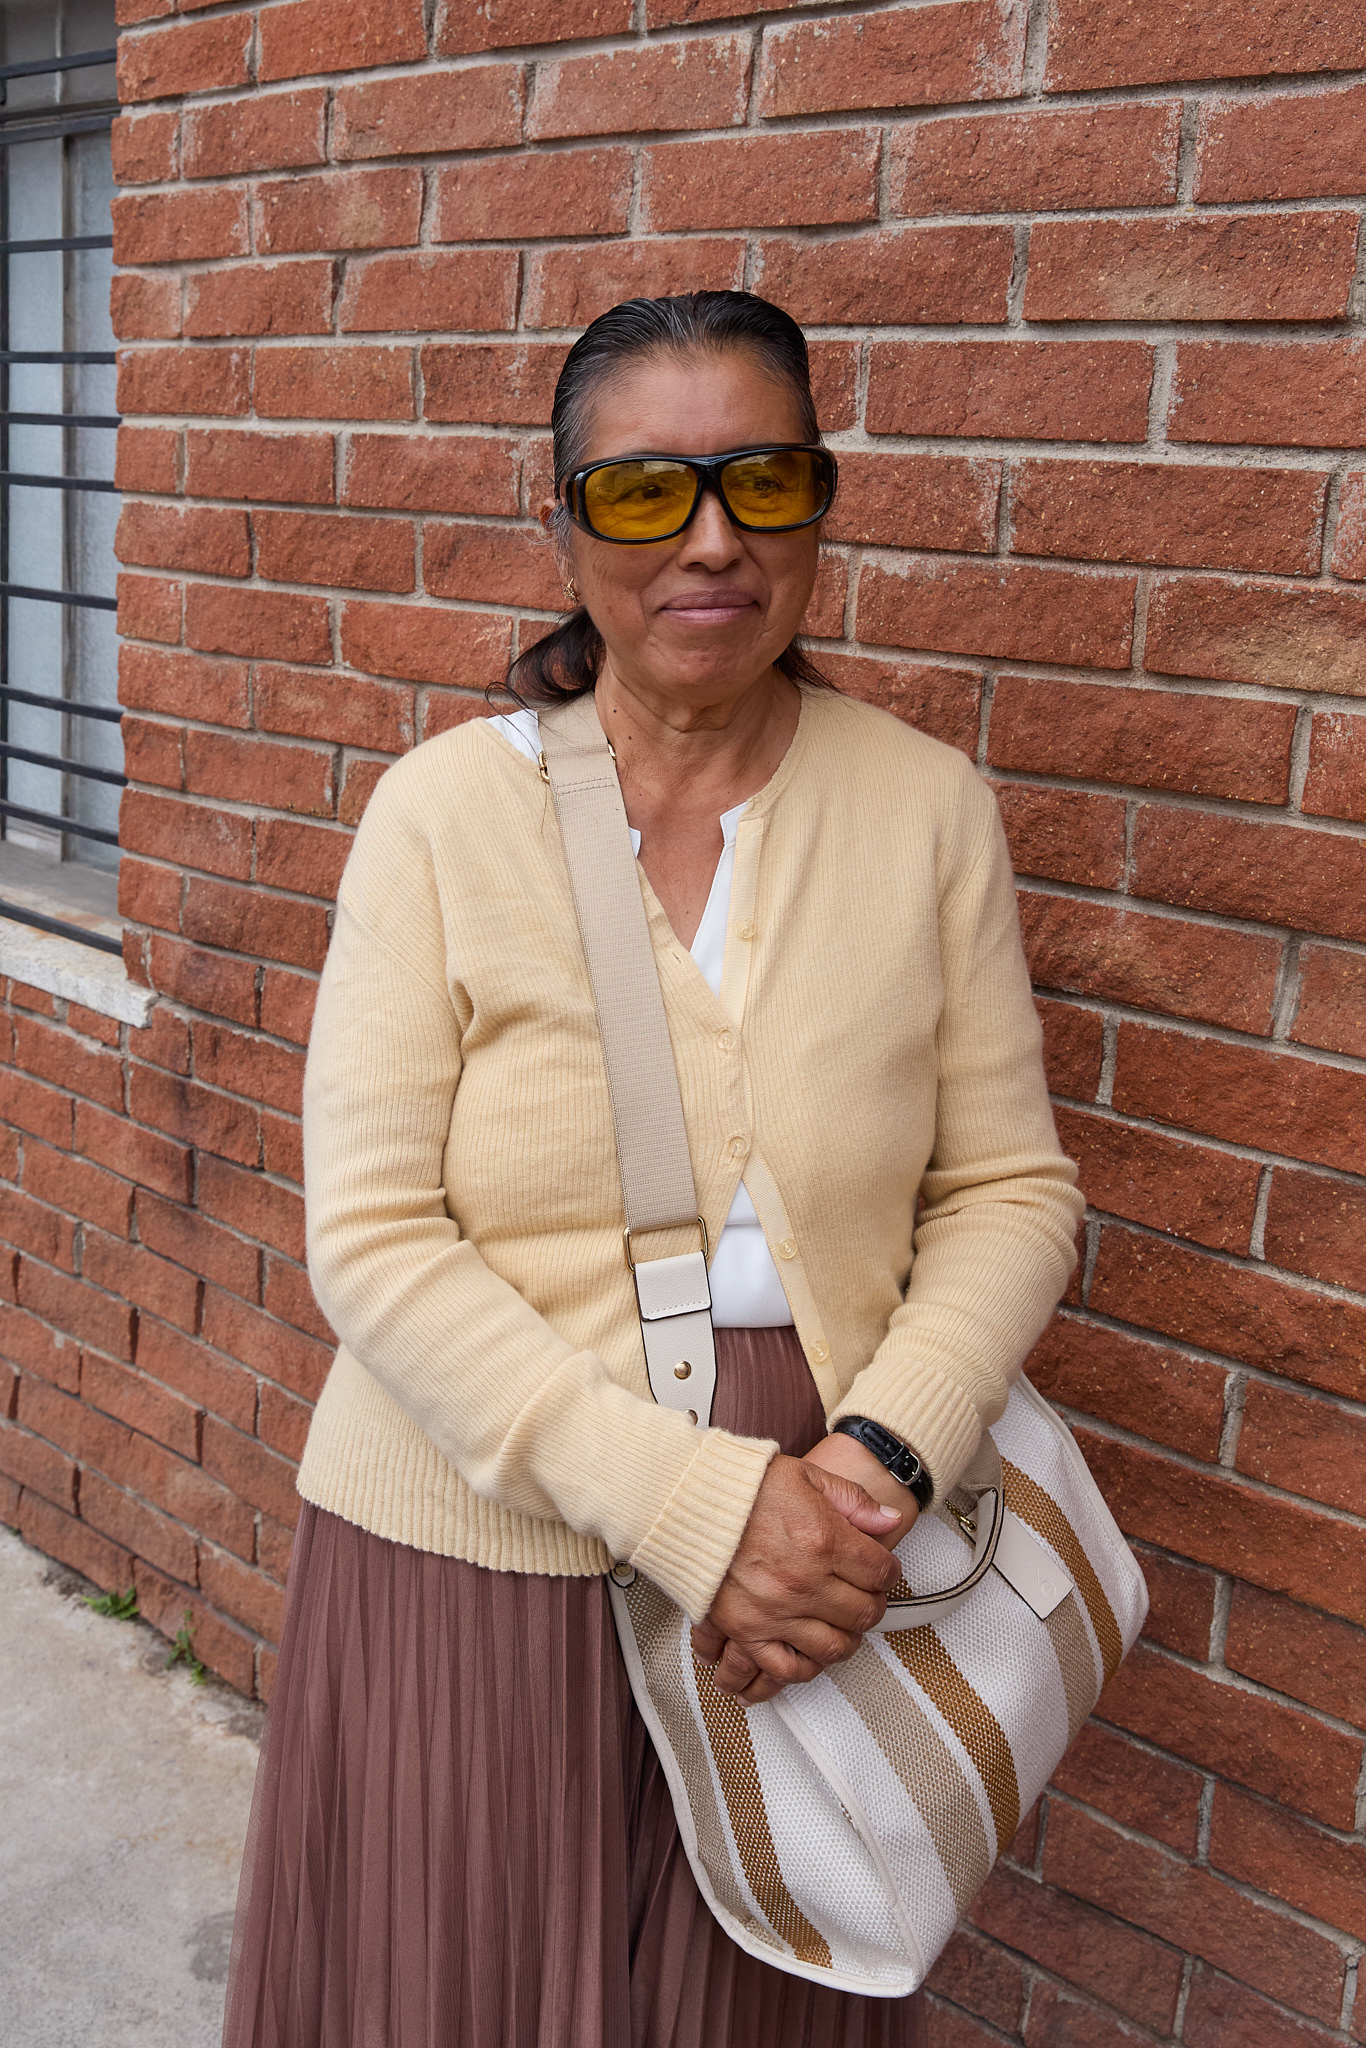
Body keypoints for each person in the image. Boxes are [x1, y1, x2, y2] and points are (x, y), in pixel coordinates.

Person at [222, 290, 1084, 2048]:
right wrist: (694, 1509)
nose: (710, 540)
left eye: (762, 482)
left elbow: (1009, 1189)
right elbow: (373, 1236)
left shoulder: (924, 809)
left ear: (818, 504)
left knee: (741, 1994)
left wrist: (872, 1470)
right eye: (640, 492)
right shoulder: (442, 817)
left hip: (824, 1538)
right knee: (454, 1980)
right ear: (560, 527)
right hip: (479, 1531)